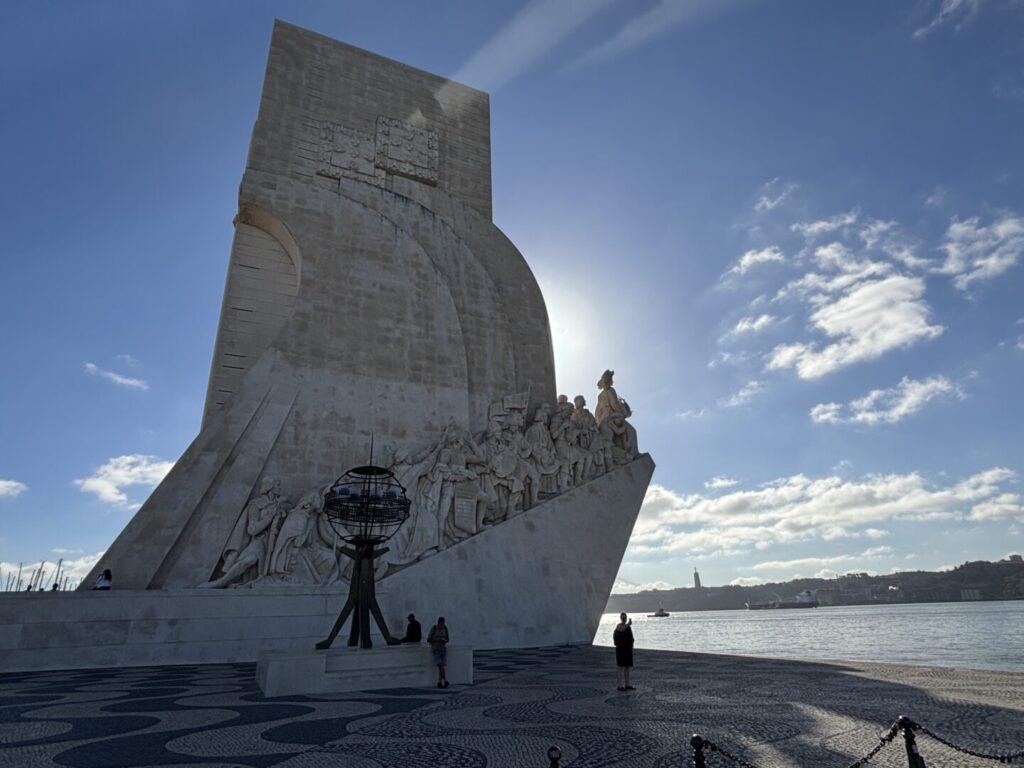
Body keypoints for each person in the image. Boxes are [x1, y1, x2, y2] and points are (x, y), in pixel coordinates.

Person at [613, 612, 634, 691]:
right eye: (623, 618)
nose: (624, 619)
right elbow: (621, 629)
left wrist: (632, 645)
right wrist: (628, 624)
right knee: (620, 667)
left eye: (625, 618)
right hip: (620, 650)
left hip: (627, 650)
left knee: (627, 667)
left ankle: (627, 684)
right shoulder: (619, 626)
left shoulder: (627, 627)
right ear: (620, 618)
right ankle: (620, 685)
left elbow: (631, 637)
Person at [427, 616, 450, 688]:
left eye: (442, 624)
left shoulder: (445, 628)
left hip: (443, 649)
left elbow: (448, 639)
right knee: (440, 665)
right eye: (440, 624)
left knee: (441, 665)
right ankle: (443, 681)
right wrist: (437, 640)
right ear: (438, 623)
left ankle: (441, 682)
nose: (441, 625)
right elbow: (428, 639)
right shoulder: (434, 629)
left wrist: (444, 640)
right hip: (436, 649)